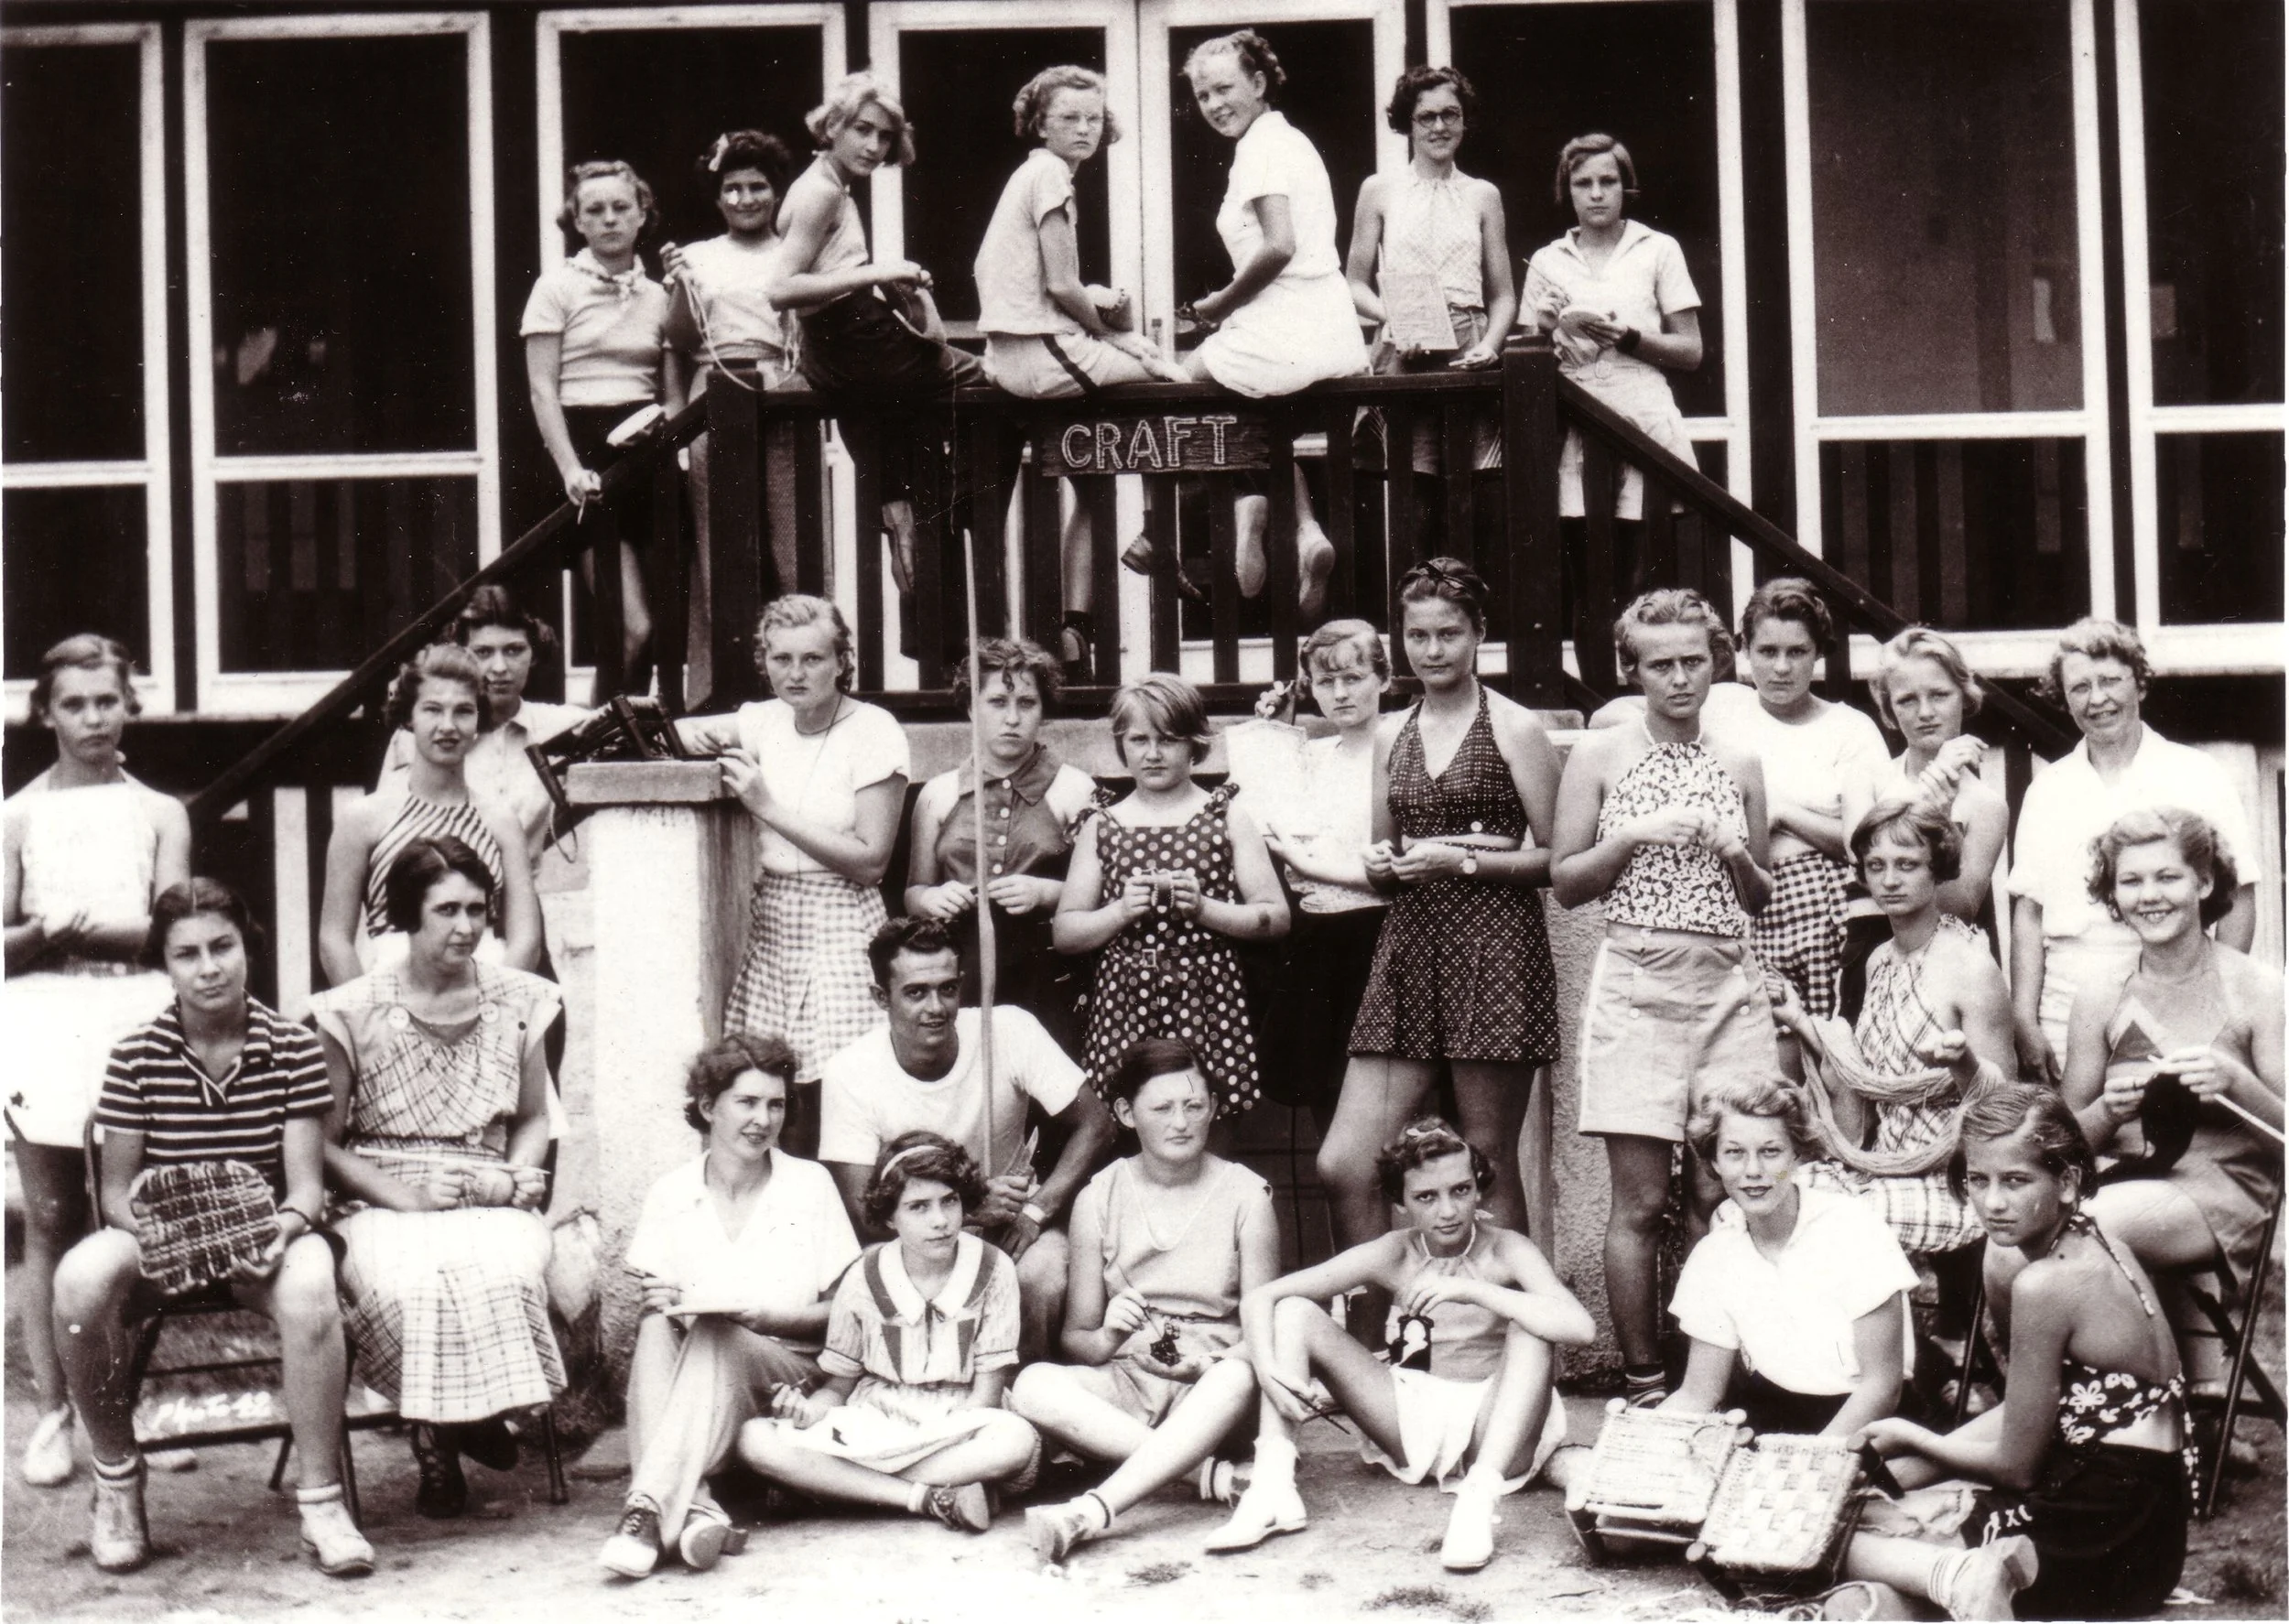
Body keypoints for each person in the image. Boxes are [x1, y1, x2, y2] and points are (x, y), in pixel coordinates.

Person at [49, 879, 371, 1577]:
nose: (209, 967)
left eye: (222, 946)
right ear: (165, 965)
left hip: (267, 1234)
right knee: (78, 1279)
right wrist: (184, 1242)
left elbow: (308, 1187)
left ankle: (322, 1503)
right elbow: (115, 1194)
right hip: (162, 1237)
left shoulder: (291, 1046)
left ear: (245, 947)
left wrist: (271, 1237)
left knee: (312, 1281)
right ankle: (117, 1483)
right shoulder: (137, 1054)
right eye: (187, 954)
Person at [1847, 1084, 2187, 1621]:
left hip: (2096, 1532)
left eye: (2016, 1180)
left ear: (2068, 1181)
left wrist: (1915, 1436)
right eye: (1978, 1180)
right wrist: (1896, 1475)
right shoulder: (2100, 1244)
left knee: (1843, 1544)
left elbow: (2016, 1466)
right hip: (2152, 1535)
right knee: (1878, 1524)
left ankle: (1957, 1579)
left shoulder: (2045, 1286)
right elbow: (2033, 1414)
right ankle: (1945, 1586)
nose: (1993, 1202)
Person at [1552, 588, 1775, 1407]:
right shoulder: (1602, 753)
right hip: (1639, 982)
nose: (1680, 679)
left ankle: (1718, 1376)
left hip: (1726, 986)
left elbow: (1759, 898)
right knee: (1642, 1201)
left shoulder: (1742, 760)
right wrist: (1633, 835)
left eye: (1694, 661)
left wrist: (1735, 855)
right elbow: (1567, 881)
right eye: (1660, 665)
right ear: (1633, 670)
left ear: (1717, 660)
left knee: (1724, 1191)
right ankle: (1647, 1380)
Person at [1208, 1118, 1590, 1573]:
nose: (1447, 1210)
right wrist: (1266, 1365)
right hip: (1413, 1417)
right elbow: (1264, 1297)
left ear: (1479, 1189)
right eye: (1426, 1197)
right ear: (1401, 1204)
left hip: (1498, 1423)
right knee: (1293, 1312)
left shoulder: (1506, 1249)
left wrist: (1478, 1292)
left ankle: (1476, 1502)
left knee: (1534, 1324)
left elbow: (1580, 1328)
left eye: (1460, 1190)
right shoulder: (1394, 1251)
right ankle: (1272, 1490)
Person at [311, 837, 565, 1518]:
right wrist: (410, 1198)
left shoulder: (520, 997)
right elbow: (326, 1145)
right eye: (447, 910)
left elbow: (536, 1117)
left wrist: (510, 1180)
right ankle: (450, 1429)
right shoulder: (352, 1007)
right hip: (382, 1191)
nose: (467, 927)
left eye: (478, 909)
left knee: (506, 1271)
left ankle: (446, 1426)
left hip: (486, 1186)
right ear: (405, 915)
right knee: (407, 1284)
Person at [1325, 561, 1562, 1275]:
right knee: (1346, 1162)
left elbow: (1556, 859)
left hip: (1496, 953)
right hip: (1411, 951)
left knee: (1484, 1166)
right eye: (1418, 635)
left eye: (1449, 634)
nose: (1432, 651)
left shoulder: (1516, 728)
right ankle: (1379, 1336)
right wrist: (1384, 866)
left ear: (1479, 635)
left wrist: (1458, 860)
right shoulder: (1390, 733)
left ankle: (1517, 1335)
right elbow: (1384, 855)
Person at [5, 634, 188, 1488]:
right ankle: (54, 1414)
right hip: (46, 1016)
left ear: (129, 706)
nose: (92, 719)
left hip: (135, 1013)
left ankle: (124, 1407)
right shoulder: (17, 814)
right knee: (49, 1217)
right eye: (73, 704)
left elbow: (169, 928)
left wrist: (75, 928)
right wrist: (45, 935)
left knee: (133, 1214)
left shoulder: (159, 812)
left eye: (106, 701)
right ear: (45, 713)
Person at [600, 1032, 859, 1580]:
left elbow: (846, 1312)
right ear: (707, 1106)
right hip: (702, 1382)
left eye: (775, 1104)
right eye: (746, 1102)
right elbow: (661, 1307)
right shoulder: (671, 1193)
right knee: (653, 1330)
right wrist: (665, 1300)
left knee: (719, 1335)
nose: (762, 1120)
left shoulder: (809, 1185)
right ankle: (693, 1510)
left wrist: (767, 1318)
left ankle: (646, 1508)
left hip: (787, 1376)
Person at [1014, 1038, 1280, 1562]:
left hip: (1212, 1386)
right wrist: (1111, 1332)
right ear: (1125, 1113)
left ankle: (1107, 1493)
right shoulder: (1099, 1196)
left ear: (1212, 1108)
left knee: (1237, 1376)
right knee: (1032, 1384)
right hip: (1131, 1377)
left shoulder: (1248, 1195)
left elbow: (1264, 1334)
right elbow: (1080, 1343)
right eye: (1161, 1108)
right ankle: (1204, 1476)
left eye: (1194, 1105)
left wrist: (1212, 1362)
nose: (1180, 1122)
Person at [2065, 809, 2281, 1419]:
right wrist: (2108, 1110)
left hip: (2221, 1182)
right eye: (2131, 882)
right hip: (2124, 1172)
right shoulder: (2101, 993)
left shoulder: (2258, 989)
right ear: (2112, 894)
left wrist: (2236, 1083)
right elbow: (2062, 1140)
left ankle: (2153, 1423)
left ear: (2205, 885)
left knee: (2084, 1229)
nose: (2149, 896)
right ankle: (2086, 1417)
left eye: (2168, 877)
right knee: (2007, 1249)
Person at [819, 916, 1113, 1359]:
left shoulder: (1008, 1029)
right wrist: (971, 1206)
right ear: (881, 997)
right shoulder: (850, 1071)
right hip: (916, 1234)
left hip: (1013, 1225)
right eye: (915, 992)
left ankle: (1021, 1404)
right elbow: (864, 1211)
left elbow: (1098, 1123)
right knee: (873, 1275)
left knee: (1041, 1277)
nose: (935, 1006)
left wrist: (1036, 1210)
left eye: (947, 988)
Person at [977, 67, 1186, 666]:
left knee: (1093, 488)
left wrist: (1097, 309)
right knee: (1173, 384)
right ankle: (1156, 529)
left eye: (1093, 117)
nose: (1084, 128)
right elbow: (1062, 284)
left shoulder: (1036, 178)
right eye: (1068, 117)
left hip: (1021, 353)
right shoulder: (1047, 174)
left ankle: (1076, 626)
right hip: (1038, 352)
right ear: (1040, 123)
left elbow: (1050, 282)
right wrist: (1114, 335)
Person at [735, 1132, 1043, 1533]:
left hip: (958, 1422)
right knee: (755, 1439)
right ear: (888, 1218)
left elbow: (986, 1396)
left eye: (949, 1200)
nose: (940, 1220)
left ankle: (839, 1486)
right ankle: (927, 1498)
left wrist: (923, 1442)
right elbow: (837, 1388)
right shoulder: (864, 1275)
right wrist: (807, 1413)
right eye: (918, 1207)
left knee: (1014, 1440)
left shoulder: (994, 1268)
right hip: (877, 1418)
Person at [2009, 618, 2255, 1083]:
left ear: (2139, 685)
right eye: (2080, 687)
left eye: (2110, 681)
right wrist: (2024, 1016)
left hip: (2176, 999)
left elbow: (2239, 896)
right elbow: (2029, 912)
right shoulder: (2048, 788)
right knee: (2083, 1136)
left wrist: (2218, 1001)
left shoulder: (2196, 772)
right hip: (2067, 1006)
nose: (2097, 699)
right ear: (2064, 698)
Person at [768, 72, 984, 601]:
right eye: (861, 129)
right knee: (987, 382)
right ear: (832, 127)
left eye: (884, 136)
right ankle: (958, 508)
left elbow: (819, 273)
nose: (872, 145)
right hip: (857, 340)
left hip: (847, 347)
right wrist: (875, 271)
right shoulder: (821, 193)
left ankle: (910, 517)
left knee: (899, 442)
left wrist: (887, 279)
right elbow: (781, 288)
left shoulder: (825, 185)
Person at [679, 595, 909, 1088]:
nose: (796, 673)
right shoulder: (764, 719)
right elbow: (677, 731)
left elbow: (871, 862)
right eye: (781, 658)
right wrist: (688, 738)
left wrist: (767, 807)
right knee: (760, 1082)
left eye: (813, 658)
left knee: (847, 1086)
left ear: (842, 662)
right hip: (774, 927)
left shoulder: (874, 729)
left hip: (843, 926)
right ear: (764, 662)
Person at [1178, 29, 1365, 615]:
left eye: (1225, 88)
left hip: (1283, 327)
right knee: (1265, 422)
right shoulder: (1292, 141)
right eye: (1203, 94)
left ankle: (1231, 509)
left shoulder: (1260, 149)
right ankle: (1307, 531)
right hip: (1327, 328)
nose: (1214, 104)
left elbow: (1279, 246)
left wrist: (1219, 305)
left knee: (1183, 386)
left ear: (1259, 84)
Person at [1785, 799, 2017, 1259]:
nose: (1889, 880)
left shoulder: (1971, 965)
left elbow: (2004, 1107)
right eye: (1876, 866)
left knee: (1825, 1225)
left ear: (1938, 871)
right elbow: (1865, 1075)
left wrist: (1963, 1064)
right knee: (1752, 1205)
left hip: (1952, 1178)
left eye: (1907, 865)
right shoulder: (1879, 961)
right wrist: (1797, 1019)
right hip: (1882, 1168)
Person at [1055, 672, 1289, 1117]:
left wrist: (1205, 909)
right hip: (1123, 999)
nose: (1154, 753)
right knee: (1127, 1120)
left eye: (1168, 739)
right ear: (1122, 744)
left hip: (1208, 995)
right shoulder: (1102, 823)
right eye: (1139, 740)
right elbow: (1066, 931)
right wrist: (1121, 911)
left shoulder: (1226, 816)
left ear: (1195, 743)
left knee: (1207, 1117)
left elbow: (1275, 917)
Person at [1661, 1076, 1915, 1438]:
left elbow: (1882, 1388)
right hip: (1778, 1415)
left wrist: (1813, 1460)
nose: (1753, 1171)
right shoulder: (1713, 1256)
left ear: (1797, 1153)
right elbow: (1698, 1393)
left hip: (1868, 1417)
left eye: (1770, 1151)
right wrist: (1640, 1442)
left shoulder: (1853, 1227)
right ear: (1714, 1162)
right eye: (1734, 1152)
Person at [1344, 65, 1513, 536]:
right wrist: (1393, 319)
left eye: (1450, 115)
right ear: (1408, 123)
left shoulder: (1483, 195)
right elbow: (1354, 282)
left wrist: (1491, 345)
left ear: (1464, 121)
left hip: (1467, 350)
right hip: (1405, 347)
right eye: (1426, 117)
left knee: (1476, 501)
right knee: (1413, 501)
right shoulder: (1379, 190)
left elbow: (1502, 295)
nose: (1440, 127)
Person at [905, 638, 1098, 1049]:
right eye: (997, 703)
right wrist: (930, 899)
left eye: (1027, 703)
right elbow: (914, 891)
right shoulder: (938, 795)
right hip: (960, 971)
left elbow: (1103, 895)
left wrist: (1046, 892)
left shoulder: (1075, 789)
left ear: (1043, 711)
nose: (1012, 718)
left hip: (1046, 971)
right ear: (972, 707)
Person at [521, 158, 670, 693]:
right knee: (631, 628)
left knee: (663, 631)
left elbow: (669, 386)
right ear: (577, 221)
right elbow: (542, 389)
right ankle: (604, 750)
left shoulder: (659, 294)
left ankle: (629, 743)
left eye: (620, 208)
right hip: (585, 460)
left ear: (641, 215)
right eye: (594, 210)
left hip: (647, 456)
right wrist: (569, 468)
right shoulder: (557, 287)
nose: (609, 219)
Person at [320, 643, 541, 986]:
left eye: (464, 711)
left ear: (479, 718)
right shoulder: (364, 818)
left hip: (486, 990)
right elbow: (334, 940)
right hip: (390, 995)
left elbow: (525, 940)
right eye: (433, 710)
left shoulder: (501, 822)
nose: (448, 726)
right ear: (409, 716)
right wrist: (369, 1019)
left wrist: (494, 1010)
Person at [1523, 133, 1701, 535]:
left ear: (1626, 186)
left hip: (1642, 415)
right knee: (1580, 551)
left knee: (1643, 549)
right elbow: (1525, 367)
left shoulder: (1658, 249)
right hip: (1573, 416)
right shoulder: (1547, 260)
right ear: (1567, 191)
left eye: (1608, 181)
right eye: (1583, 184)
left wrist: (1628, 337)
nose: (1597, 194)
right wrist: (1544, 328)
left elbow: (1691, 351)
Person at [1730, 579, 1892, 1022]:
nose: (1781, 667)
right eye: (1767, 652)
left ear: (1818, 652)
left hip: (1830, 910)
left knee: (1830, 1043)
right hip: (1747, 905)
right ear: (1744, 649)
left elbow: (1868, 842)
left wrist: (1781, 811)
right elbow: (1623, 712)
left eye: (1797, 652)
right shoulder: (1722, 714)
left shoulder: (1850, 729)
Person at [662, 129, 806, 615]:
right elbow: (679, 340)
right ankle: (719, 684)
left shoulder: (797, 251)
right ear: (719, 197)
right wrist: (682, 283)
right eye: (733, 188)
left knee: (794, 542)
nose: (746, 198)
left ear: (778, 191)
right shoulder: (698, 256)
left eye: (757, 186)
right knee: (720, 540)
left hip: (785, 389)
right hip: (715, 391)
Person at [1254, 621, 1392, 1124]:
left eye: (1353, 677)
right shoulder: (1308, 757)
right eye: (1324, 681)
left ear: (1383, 677)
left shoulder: (1402, 749)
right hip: (1319, 942)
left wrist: (1308, 863)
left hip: (1384, 938)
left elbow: (1392, 865)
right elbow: (1264, 822)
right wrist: (1273, 733)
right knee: (1328, 1107)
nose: (1339, 693)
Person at [1839, 627, 2009, 1015]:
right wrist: (1931, 804)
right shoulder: (1868, 777)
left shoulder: (1985, 804)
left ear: (1965, 698)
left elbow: (1959, 908)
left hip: (1943, 965)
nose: (1926, 712)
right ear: (1890, 712)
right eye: (1907, 700)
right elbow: (1863, 857)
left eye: (1939, 695)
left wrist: (1940, 813)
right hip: (1869, 951)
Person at [376, 588, 591, 893]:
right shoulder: (420, 738)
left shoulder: (565, 726)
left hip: (536, 903)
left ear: (534, 653)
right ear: (462, 656)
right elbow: (394, 836)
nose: (500, 668)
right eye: (483, 652)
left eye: (514, 650)